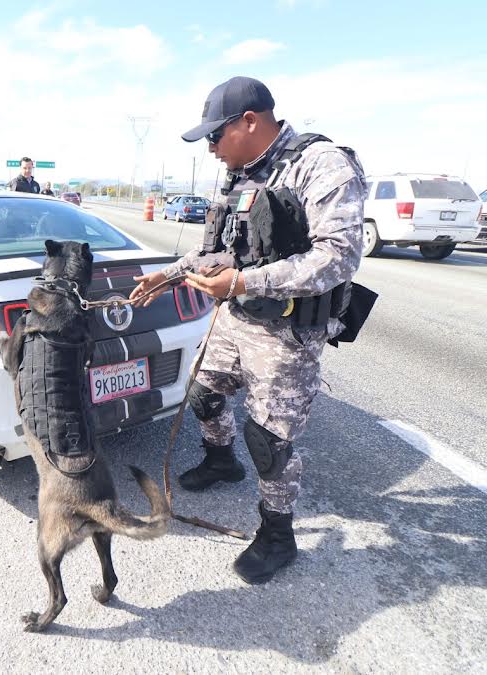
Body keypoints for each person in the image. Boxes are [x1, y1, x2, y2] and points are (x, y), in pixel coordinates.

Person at [129, 76, 367, 585]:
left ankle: (278, 533)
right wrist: (167, 275)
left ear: (250, 122)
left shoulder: (320, 164)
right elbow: (220, 248)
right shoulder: (240, 174)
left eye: (216, 136)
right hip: (237, 317)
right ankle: (221, 462)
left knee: (269, 440)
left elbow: (339, 256)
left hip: (284, 333)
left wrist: (242, 280)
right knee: (202, 396)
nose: (211, 148)